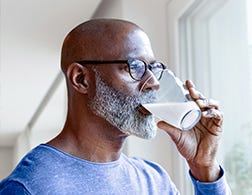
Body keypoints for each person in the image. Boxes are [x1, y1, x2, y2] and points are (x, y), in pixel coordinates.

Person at [0, 19, 230, 194]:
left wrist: (205, 168)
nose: (154, 83)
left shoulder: (154, 180)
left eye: (154, 68)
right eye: (136, 67)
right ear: (81, 79)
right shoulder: (30, 186)